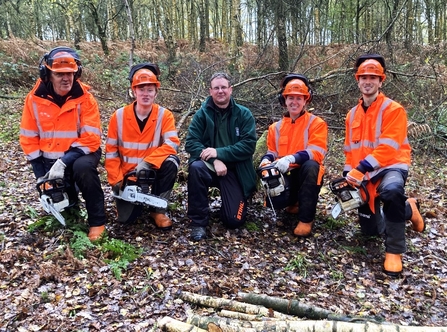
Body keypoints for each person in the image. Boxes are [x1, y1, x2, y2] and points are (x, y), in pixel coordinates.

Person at [343, 53, 425, 277]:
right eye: (363, 77)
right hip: (365, 172)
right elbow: (350, 149)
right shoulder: (352, 115)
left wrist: (360, 169)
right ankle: (408, 208)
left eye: (373, 77)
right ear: (357, 80)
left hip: (391, 166)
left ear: (381, 80)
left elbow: (388, 148)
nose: (368, 81)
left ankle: (394, 252)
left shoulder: (394, 110)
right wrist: (347, 173)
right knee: (371, 231)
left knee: (391, 191)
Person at [19, 46, 106, 241]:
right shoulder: (34, 100)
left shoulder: (86, 99)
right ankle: (70, 205)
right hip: (49, 159)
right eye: (60, 74)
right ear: (48, 74)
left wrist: (65, 161)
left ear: (77, 73)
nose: (66, 78)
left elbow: (91, 138)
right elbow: (28, 137)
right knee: (63, 203)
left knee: (83, 168)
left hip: (81, 154)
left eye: (70, 73)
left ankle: (97, 222)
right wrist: (41, 175)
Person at [105, 63, 180, 229]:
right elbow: (111, 152)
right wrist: (116, 180)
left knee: (171, 161)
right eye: (141, 89)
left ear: (156, 92)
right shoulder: (118, 116)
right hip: (127, 176)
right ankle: (129, 201)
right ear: (134, 91)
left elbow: (172, 143)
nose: (145, 94)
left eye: (150, 90)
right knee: (127, 219)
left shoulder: (164, 115)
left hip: (152, 171)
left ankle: (158, 210)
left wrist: (148, 162)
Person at [185, 72, 257, 241]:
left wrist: (219, 153)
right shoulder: (202, 114)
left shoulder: (244, 114)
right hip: (210, 167)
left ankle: (228, 207)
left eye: (223, 87)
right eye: (216, 88)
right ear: (210, 91)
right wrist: (214, 159)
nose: (220, 91)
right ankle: (198, 222)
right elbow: (191, 143)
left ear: (230, 90)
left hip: (235, 170)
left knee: (234, 220)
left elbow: (249, 146)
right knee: (196, 168)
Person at [259, 74, 327, 237]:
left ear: (305, 100)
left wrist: (291, 158)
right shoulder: (275, 127)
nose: (294, 102)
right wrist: (266, 161)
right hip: (284, 174)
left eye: (298, 98)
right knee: (271, 184)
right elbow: (272, 152)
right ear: (284, 100)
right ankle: (293, 202)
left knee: (311, 167)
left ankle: (305, 219)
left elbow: (316, 151)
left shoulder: (316, 124)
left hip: (305, 172)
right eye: (290, 98)